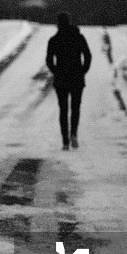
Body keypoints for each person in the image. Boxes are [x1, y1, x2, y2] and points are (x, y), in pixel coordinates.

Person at [46, 12, 92, 150]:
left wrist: (55, 71)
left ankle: (65, 141)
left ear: (58, 24)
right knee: (75, 108)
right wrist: (83, 70)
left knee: (63, 110)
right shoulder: (79, 37)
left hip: (61, 79)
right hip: (77, 77)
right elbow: (88, 55)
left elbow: (49, 60)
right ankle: (74, 134)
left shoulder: (54, 40)